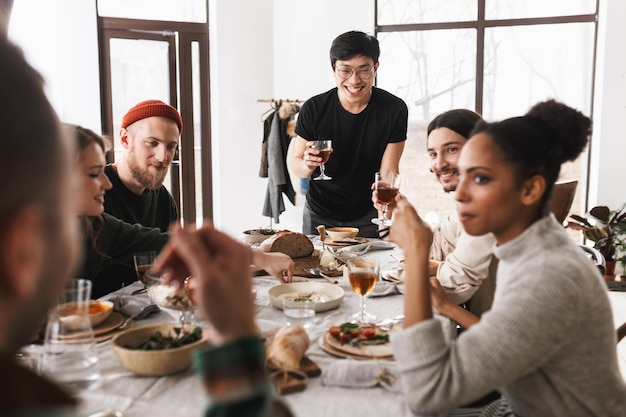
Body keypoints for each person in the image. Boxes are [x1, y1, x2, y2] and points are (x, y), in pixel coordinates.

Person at [0, 38, 285, 417]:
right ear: (24, 248)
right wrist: (235, 337)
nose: (103, 184)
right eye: (92, 174)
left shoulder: (142, 206)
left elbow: (158, 248)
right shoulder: (97, 218)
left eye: (171, 147)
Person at [389, 99, 626, 415]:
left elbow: (427, 393)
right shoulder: (529, 249)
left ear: (530, 191)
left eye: (482, 179)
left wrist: (417, 256)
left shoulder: (548, 276)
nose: (460, 194)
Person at [290, 30, 408, 238]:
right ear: (333, 68)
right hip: (319, 214)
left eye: (364, 70)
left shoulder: (394, 109)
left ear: (376, 68)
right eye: (345, 70)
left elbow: (389, 170)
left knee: (366, 270)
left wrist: (385, 193)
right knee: (316, 269)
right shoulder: (313, 108)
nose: (354, 81)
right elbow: (297, 167)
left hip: (367, 215)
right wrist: (308, 164)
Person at [383, 109, 498, 318]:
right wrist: (400, 213)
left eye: (452, 149)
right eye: (433, 154)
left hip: (506, 339)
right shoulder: (473, 197)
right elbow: (440, 248)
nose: (439, 164)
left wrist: (405, 276)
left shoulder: (488, 205)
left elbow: (457, 285)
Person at [71, 124, 169, 298]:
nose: (107, 184)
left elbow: (149, 241)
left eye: (171, 146)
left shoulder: (94, 224)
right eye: (94, 174)